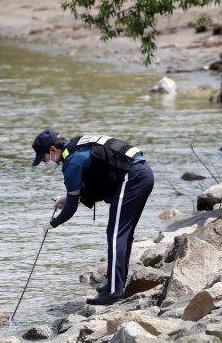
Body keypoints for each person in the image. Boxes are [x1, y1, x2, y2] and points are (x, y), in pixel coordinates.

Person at [31, 129, 154, 305]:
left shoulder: (72, 162)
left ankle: (113, 291)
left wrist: (52, 223)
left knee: (116, 235)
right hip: (141, 174)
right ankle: (114, 284)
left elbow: (71, 209)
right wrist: (67, 198)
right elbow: (92, 180)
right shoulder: (76, 147)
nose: (45, 163)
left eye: (43, 158)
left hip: (133, 178)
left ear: (52, 149)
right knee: (122, 234)